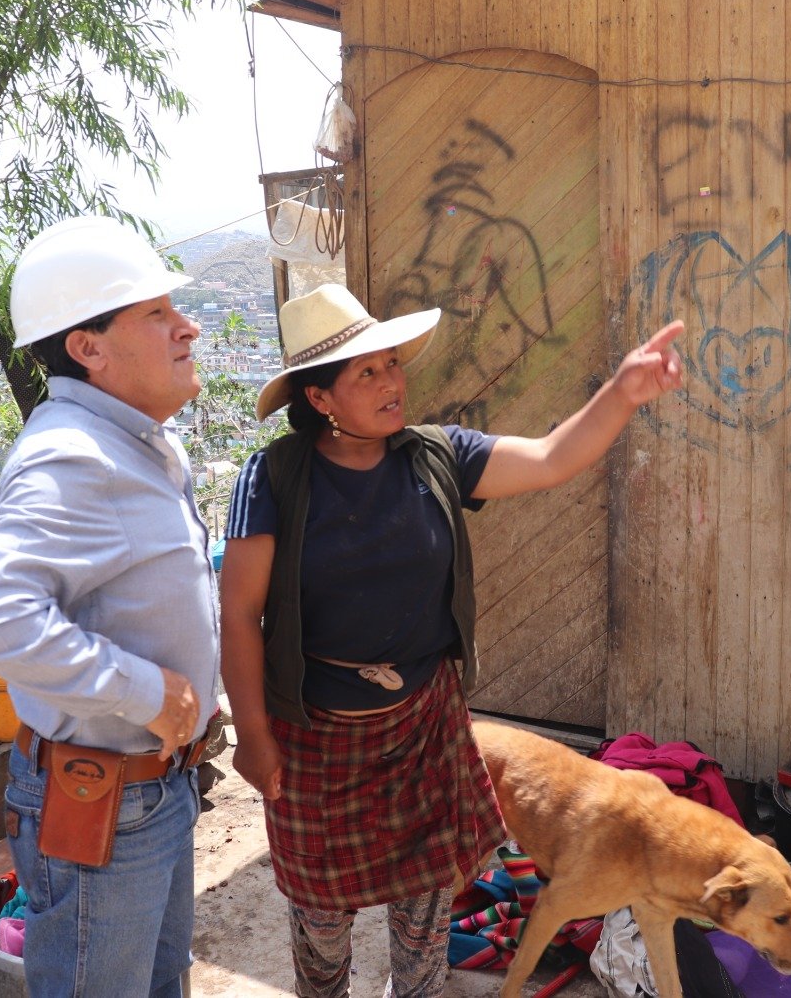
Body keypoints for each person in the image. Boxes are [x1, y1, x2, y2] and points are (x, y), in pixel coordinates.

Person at [219, 283, 684, 997]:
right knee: (321, 921)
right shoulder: (276, 478)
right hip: (316, 737)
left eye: (391, 364)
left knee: (426, 911)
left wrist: (622, 393)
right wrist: (253, 733)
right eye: (365, 372)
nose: (392, 381)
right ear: (320, 400)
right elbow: (239, 610)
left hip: (423, 726)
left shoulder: (434, 455)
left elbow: (553, 457)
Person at [0, 216, 218, 998]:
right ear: (88, 347)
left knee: (161, 982)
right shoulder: (73, 455)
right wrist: (150, 692)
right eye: (156, 314)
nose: (187, 327)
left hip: (148, 788)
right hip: (106, 799)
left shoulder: (127, 442)